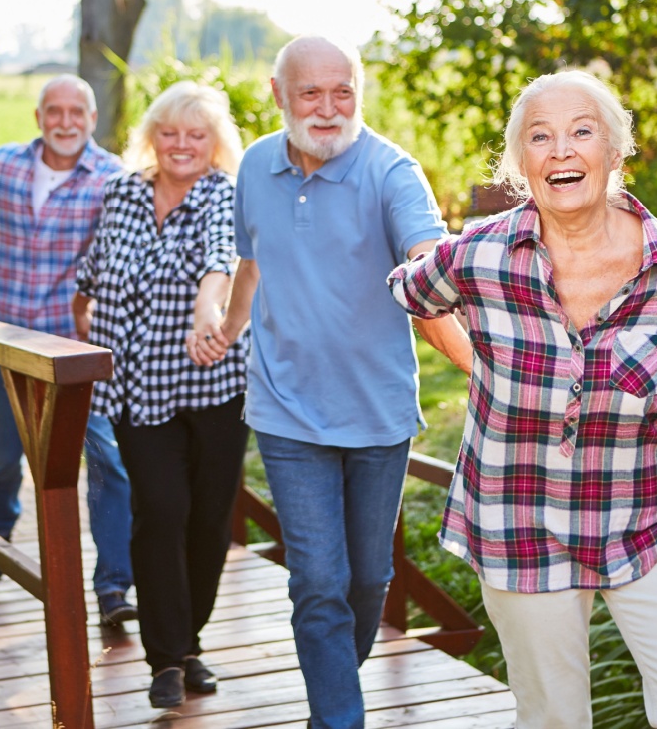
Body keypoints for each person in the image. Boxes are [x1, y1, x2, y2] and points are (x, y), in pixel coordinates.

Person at [386, 69, 657, 729]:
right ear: (523, 164)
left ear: (617, 151)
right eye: (540, 137)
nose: (561, 150)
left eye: (581, 131)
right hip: (519, 517)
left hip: (650, 513)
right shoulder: (481, 253)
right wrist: (475, 363)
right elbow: (415, 293)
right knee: (554, 721)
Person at [196, 36, 469, 729]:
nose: (326, 108)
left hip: (377, 413)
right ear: (278, 93)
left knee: (367, 580)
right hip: (286, 409)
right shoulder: (256, 165)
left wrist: (481, 359)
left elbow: (427, 260)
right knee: (318, 583)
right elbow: (250, 264)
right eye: (310, 92)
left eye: (341, 90)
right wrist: (229, 328)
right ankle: (339, 721)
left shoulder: (391, 172)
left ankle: (330, 701)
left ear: (360, 91)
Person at [72, 82, 250, 710]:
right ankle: (165, 659)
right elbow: (91, 274)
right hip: (136, 388)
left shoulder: (223, 193)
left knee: (207, 520)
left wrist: (209, 311)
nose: (181, 145)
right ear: (153, 136)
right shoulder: (121, 191)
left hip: (214, 386)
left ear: (213, 143)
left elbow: (220, 262)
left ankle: (191, 642)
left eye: (195, 135)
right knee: (161, 510)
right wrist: (83, 331)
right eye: (170, 133)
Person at [0, 74, 138, 626]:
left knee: (106, 459)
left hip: (77, 348)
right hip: (5, 339)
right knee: (4, 452)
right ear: (39, 117)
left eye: (78, 112)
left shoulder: (112, 175)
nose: (66, 122)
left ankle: (114, 586)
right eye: (55, 111)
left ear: (92, 120)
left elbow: (124, 250)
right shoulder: (4, 162)